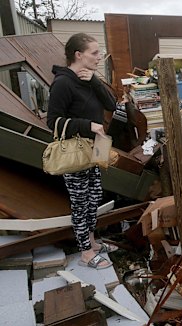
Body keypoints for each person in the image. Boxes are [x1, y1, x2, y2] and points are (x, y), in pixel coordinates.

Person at [47, 33, 118, 270]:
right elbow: (53, 122)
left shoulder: (88, 79)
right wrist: (88, 125)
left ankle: (93, 242)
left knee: (94, 197)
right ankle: (86, 252)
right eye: (94, 53)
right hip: (77, 150)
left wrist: (95, 80)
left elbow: (112, 104)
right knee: (80, 203)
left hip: (95, 148)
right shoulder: (62, 83)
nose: (99, 57)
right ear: (78, 55)